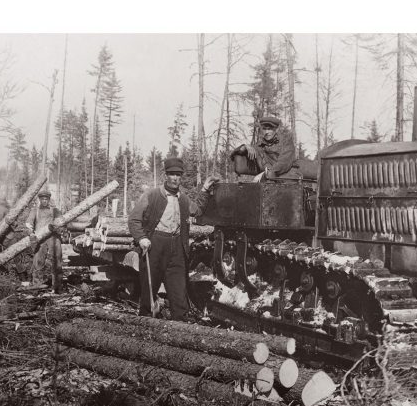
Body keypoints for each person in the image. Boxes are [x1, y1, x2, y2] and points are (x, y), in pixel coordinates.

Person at [128, 157, 220, 320]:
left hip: (177, 246)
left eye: (178, 174)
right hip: (154, 245)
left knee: (178, 291)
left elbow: (196, 210)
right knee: (149, 290)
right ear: (166, 175)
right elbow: (134, 219)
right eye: (172, 174)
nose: (175, 178)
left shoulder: (183, 199)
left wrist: (205, 190)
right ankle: (144, 327)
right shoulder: (152, 195)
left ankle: (179, 328)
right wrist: (141, 238)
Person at [232, 116, 299, 181]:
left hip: (288, 177)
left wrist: (267, 173)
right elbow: (234, 154)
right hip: (269, 180)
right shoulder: (259, 146)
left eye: (269, 129)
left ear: (276, 129)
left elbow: (284, 162)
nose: (266, 132)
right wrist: (245, 147)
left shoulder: (286, 142)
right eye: (264, 129)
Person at [25, 190, 63, 288]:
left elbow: (62, 222)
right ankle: (37, 285)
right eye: (43, 199)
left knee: (56, 260)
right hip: (40, 239)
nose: (45, 201)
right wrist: (31, 234)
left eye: (46, 199)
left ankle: (57, 286)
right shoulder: (35, 211)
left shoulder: (55, 211)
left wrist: (60, 229)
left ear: (49, 200)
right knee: (38, 261)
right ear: (40, 200)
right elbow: (29, 224)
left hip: (53, 238)